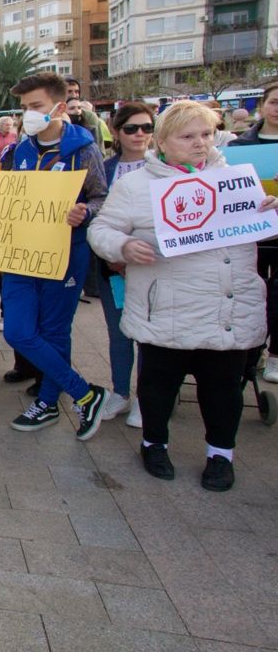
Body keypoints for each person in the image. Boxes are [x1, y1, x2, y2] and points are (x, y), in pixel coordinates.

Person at [90, 101, 271, 491]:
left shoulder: (238, 179)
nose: (199, 143)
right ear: (163, 141)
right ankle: (154, 444)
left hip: (226, 303)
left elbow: (262, 230)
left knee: (223, 386)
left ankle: (221, 454)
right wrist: (123, 246)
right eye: (187, 136)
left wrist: (270, 213)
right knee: (158, 383)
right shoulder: (136, 185)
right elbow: (101, 229)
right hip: (166, 303)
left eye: (206, 134)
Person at [3, 72, 110, 439]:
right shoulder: (21, 149)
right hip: (20, 253)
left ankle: (48, 401)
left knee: (54, 331)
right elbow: (7, 195)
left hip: (66, 252)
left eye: (36, 107)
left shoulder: (84, 148)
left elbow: (100, 196)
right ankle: (86, 393)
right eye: (24, 108)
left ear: (59, 108)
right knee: (18, 331)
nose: (27, 115)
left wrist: (86, 213)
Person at [93, 103, 154, 429]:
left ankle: (147, 397)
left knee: (147, 335)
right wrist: (114, 256)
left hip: (153, 267)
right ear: (116, 132)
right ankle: (120, 392)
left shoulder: (166, 168)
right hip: (112, 266)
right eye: (131, 128)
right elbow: (98, 214)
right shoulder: (105, 167)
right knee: (119, 333)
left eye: (146, 127)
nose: (140, 134)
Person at [230, 83, 278, 383]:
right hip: (250, 232)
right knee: (250, 292)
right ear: (262, 106)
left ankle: (274, 356)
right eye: (274, 102)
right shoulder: (239, 147)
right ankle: (251, 353)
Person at [64, 77, 113, 150]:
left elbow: (99, 146)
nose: (74, 95)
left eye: (77, 92)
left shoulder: (89, 116)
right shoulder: (55, 116)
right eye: (69, 91)